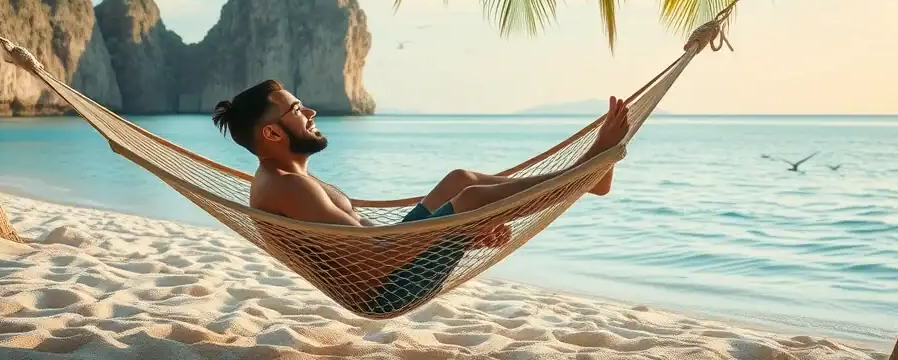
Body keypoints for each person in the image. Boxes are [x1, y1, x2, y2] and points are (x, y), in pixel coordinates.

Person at [211, 79, 629, 313]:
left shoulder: (287, 176)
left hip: (391, 262)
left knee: (458, 180)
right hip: (386, 289)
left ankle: (586, 178)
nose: (310, 112)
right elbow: (373, 258)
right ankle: (584, 172)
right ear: (272, 132)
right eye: (297, 109)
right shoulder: (288, 185)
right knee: (471, 199)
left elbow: (366, 244)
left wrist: (461, 232)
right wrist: (461, 225)